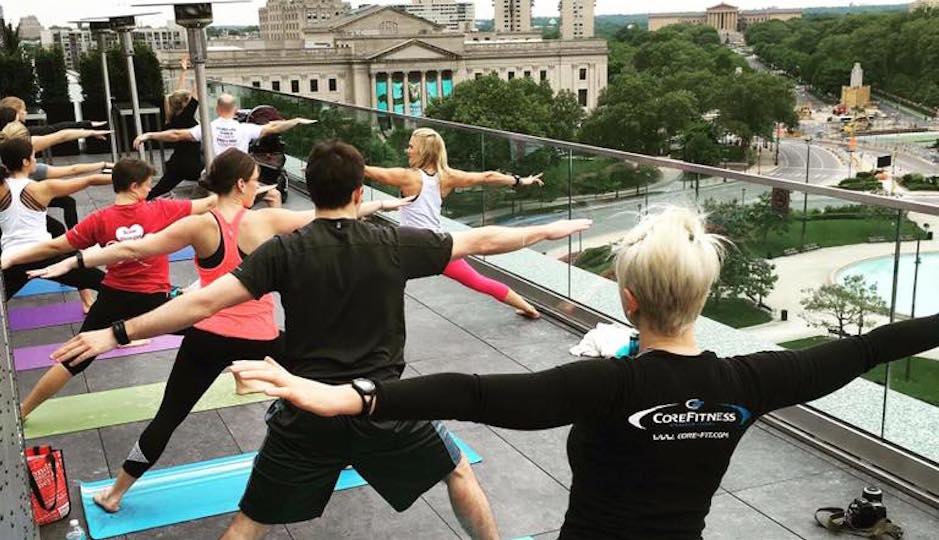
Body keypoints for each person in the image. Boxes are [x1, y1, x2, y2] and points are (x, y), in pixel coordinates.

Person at [231, 205, 939, 540]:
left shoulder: (606, 384)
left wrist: (345, 395)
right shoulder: (748, 383)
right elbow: (872, 346)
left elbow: (473, 394)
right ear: (701, 295)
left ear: (627, 298)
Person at [50, 140, 591, 540]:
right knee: (456, 471)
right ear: (360, 192)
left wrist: (115, 333)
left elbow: (201, 303)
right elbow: (480, 239)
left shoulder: (285, 251)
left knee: (251, 520)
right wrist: (541, 232)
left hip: (306, 410)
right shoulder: (393, 243)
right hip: (385, 404)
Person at [36, 147, 413, 517]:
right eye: (254, 181)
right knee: (327, 388)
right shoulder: (267, 221)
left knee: (169, 416)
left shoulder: (201, 223)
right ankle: (349, 453)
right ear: (239, 184)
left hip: (208, 337)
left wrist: (75, 260)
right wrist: (379, 206)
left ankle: (115, 493)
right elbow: (333, 218)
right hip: (260, 339)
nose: (257, 187)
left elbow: (132, 249)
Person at [2, 157, 217, 418]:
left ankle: (23, 410)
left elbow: (56, 246)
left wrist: (13, 257)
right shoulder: (160, 209)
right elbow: (209, 203)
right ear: (135, 186)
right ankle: (243, 375)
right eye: (148, 185)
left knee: (74, 360)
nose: (150, 190)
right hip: (154, 301)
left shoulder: (99, 219)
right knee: (215, 331)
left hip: (112, 298)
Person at [365, 127, 544, 318]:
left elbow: (372, 172)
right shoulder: (447, 177)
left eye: (411, 147)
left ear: (423, 151)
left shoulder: (408, 177)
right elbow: (487, 177)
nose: (407, 151)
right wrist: (521, 181)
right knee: (479, 281)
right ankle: (529, 309)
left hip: (408, 248)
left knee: (370, 274)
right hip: (437, 246)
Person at [0, 137, 108, 301]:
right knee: (107, 284)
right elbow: (90, 180)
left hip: (11, 259)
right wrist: (126, 179)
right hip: (44, 255)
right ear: (25, 162)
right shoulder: (43, 188)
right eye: (34, 156)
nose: (36, 160)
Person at [133, 93, 315, 158]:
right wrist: (296, 120)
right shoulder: (245, 129)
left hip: (216, 176)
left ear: (218, 109)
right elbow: (273, 127)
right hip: (238, 176)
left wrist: (149, 135)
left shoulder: (208, 128)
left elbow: (176, 135)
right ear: (234, 109)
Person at [146, 58, 204, 200]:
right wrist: (199, 67)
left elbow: (177, 95)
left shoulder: (171, 117)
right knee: (219, 175)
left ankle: (139, 203)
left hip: (177, 163)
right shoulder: (186, 117)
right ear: (185, 105)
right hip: (193, 165)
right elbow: (197, 91)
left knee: (156, 191)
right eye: (188, 100)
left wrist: (183, 72)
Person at [0, 95, 108, 134]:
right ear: (16, 113)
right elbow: (58, 130)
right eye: (24, 110)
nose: (26, 112)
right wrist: (87, 127)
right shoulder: (24, 134)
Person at [0, 119, 111, 154]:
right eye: (23, 110)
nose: (26, 112)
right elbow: (61, 135)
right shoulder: (26, 143)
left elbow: (61, 134)